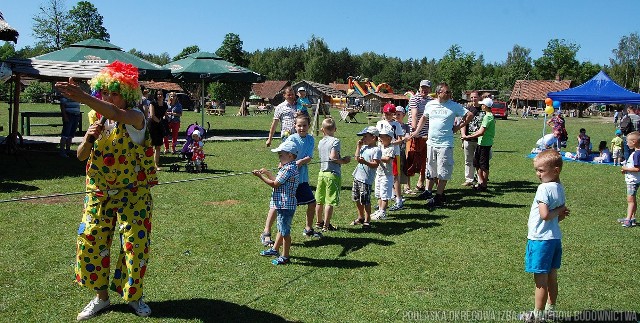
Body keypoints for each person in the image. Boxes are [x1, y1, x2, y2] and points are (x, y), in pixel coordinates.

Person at [55, 61, 157, 320]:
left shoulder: (136, 116)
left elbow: (117, 114)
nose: (108, 97)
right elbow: (81, 157)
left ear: (127, 94)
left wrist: (83, 97)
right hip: (99, 193)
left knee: (135, 246)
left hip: (133, 195)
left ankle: (134, 298)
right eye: (105, 92)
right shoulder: (95, 117)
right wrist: (89, 138)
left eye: (114, 92)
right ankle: (100, 298)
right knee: (91, 242)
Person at [520, 149, 570, 322]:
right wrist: (560, 212)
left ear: (555, 170)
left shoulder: (543, 188)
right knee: (552, 276)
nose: (538, 174)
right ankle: (551, 309)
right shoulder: (559, 187)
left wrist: (556, 211)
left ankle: (537, 315)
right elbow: (559, 216)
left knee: (540, 279)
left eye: (541, 171)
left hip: (540, 239)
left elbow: (545, 215)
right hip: (554, 238)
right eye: (537, 170)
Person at [411, 82, 474, 208]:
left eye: (449, 92)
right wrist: (416, 132)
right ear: (439, 92)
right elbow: (424, 118)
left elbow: (469, 115)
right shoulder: (431, 104)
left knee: (443, 170)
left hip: (445, 144)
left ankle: (439, 197)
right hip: (431, 142)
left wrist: (458, 127)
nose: (449, 94)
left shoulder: (453, 106)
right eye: (447, 92)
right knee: (431, 169)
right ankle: (429, 192)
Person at [255, 140, 299, 265]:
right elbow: (278, 180)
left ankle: (285, 256)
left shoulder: (288, 169)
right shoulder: (289, 167)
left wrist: (260, 177)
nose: (279, 157)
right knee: (281, 228)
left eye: (281, 155)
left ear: (290, 155)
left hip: (286, 205)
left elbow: (275, 184)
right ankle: (275, 249)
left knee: (285, 232)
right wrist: (268, 173)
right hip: (283, 204)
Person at [314, 118, 351, 232]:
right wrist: (344, 161)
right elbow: (333, 157)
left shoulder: (321, 141)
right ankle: (326, 225)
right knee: (329, 201)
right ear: (335, 129)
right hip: (333, 174)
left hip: (322, 173)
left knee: (320, 199)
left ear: (322, 130)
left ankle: (318, 222)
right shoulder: (335, 141)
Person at [376, 103, 405, 210]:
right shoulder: (379, 123)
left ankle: (399, 200)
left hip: (393, 153)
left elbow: (401, 139)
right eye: (386, 113)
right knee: (381, 175)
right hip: (381, 151)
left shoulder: (396, 124)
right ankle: (382, 200)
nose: (388, 116)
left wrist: (391, 143)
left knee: (395, 176)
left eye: (390, 114)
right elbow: (375, 136)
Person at [461, 98, 495, 191]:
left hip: (485, 143)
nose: (482, 106)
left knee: (483, 165)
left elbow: (481, 132)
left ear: (486, 106)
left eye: (483, 104)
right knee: (477, 163)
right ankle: (481, 182)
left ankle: (483, 185)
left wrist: (468, 137)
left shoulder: (488, 117)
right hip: (481, 143)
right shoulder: (487, 116)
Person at [351, 126, 381, 230]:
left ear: (373, 138)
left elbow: (375, 164)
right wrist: (358, 147)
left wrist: (365, 162)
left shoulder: (376, 150)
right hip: (357, 176)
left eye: (365, 136)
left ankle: (367, 220)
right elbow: (356, 158)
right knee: (357, 199)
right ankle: (360, 217)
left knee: (365, 200)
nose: (363, 139)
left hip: (366, 179)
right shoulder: (363, 147)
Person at [406, 80, 432, 193]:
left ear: (430, 89)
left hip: (427, 135)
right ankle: (406, 184)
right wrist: (415, 131)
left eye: (427, 88)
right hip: (413, 133)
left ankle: (420, 182)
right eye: (423, 87)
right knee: (409, 158)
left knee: (424, 160)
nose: (424, 90)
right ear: (419, 87)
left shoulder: (432, 101)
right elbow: (414, 114)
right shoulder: (414, 98)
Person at [460, 90, 484, 186]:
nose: (474, 99)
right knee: (468, 160)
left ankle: (480, 179)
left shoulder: (484, 109)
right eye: (472, 97)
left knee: (480, 160)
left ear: (479, 98)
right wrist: (463, 135)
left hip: (481, 140)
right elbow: (463, 123)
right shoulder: (467, 109)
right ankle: (469, 179)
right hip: (468, 139)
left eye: (475, 97)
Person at [371, 127, 395, 220]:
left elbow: (388, 159)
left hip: (387, 175)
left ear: (389, 138)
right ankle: (379, 210)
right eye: (379, 136)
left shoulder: (391, 148)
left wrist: (377, 157)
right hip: (379, 173)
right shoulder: (380, 146)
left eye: (382, 137)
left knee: (384, 194)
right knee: (379, 193)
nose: (380, 139)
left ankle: (383, 212)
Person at [619, 131, 640, 228]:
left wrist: (625, 168)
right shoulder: (636, 153)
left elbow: (637, 168)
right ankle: (632, 218)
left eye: (628, 142)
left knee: (630, 201)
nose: (626, 143)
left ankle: (628, 220)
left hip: (632, 181)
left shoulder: (636, 154)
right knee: (633, 200)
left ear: (634, 142)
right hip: (634, 179)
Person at [148, 90, 168, 170]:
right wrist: (160, 122)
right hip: (152, 125)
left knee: (158, 146)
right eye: (158, 94)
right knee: (150, 145)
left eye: (161, 94)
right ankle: (148, 163)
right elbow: (152, 115)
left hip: (160, 125)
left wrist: (164, 121)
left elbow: (164, 115)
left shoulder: (165, 105)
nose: (159, 95)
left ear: (163, 95)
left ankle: (156, 164)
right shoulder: (152, 103)